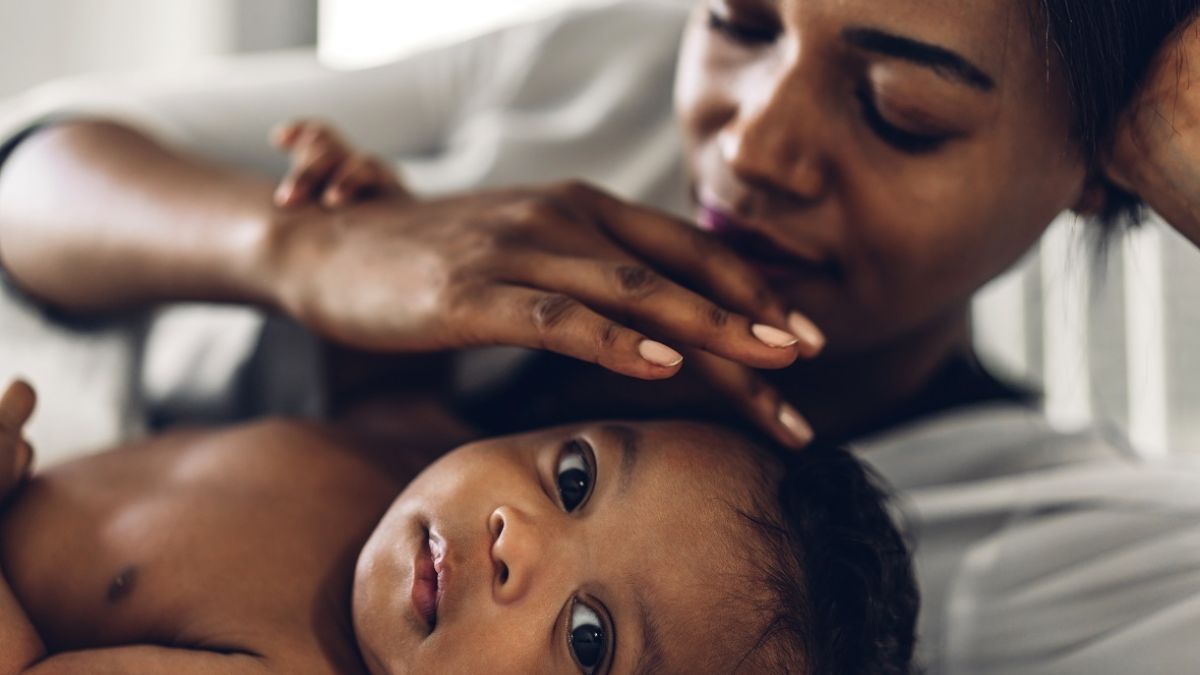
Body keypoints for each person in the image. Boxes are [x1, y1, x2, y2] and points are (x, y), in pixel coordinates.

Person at [1, 0, 1199, 671]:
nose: (752, 143)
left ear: (1104, 171)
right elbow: (31, 169)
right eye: (740, 19)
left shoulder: (1065, 555)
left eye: (899, 111)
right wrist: (305, 250)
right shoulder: (613, 74)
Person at [0, 375, 919, 674]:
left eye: (589, 638)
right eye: (574, 476)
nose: (519, 538)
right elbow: (363, 382)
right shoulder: (424, 441)